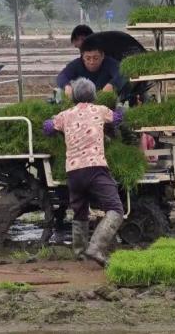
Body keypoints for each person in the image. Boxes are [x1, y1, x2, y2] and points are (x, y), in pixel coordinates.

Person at [45, 77, 124, 266]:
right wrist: (121, 107)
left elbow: (47, 128)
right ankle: (96, 247)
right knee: (116, 209)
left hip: (73, 172)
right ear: (94, 95)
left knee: (80, 212)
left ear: (74, 96)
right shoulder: (100, 110)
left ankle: (80, 252)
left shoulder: (65, 115)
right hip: (95, 168)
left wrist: (52, 122)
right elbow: (118, 118)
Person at [57, 43, 123, 99]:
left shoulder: (110, 63)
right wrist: (67, 86)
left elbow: (122, 73)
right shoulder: (77, 64)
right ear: (83, 57)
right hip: (82, 99)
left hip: (105, 99)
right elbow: (62, 75)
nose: (92, 62)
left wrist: (112, 84)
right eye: (88, 58)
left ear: (102, 56)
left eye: (96, 58)